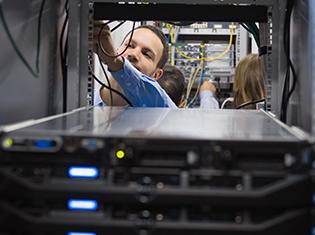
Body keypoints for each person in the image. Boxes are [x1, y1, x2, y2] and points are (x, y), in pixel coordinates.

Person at [94, 23, 177, 108]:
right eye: (129, 45)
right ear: (117, 50)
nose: (134, 54)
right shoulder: (84, 101)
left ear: (156, 75)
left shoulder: (160, 110)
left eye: (146, 54)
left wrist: (114, 60)